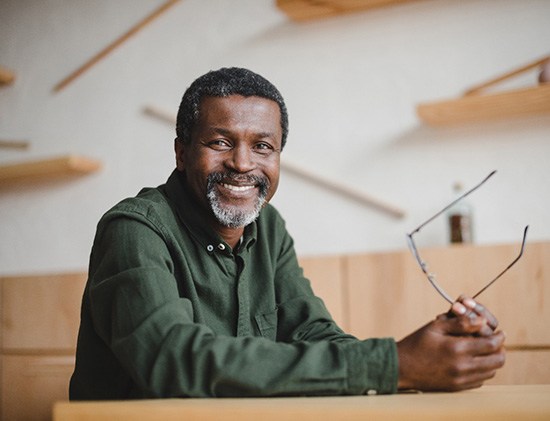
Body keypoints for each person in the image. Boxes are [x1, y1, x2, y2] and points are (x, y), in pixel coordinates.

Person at [69, 67, 505, 400]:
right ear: (181, 152)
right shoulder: (134, 229)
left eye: (263, 146)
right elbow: (174, 361)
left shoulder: (268, 227)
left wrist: (429, 350)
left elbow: (314, 333)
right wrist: (392, 365)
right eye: (220, 142)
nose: (242, 164)